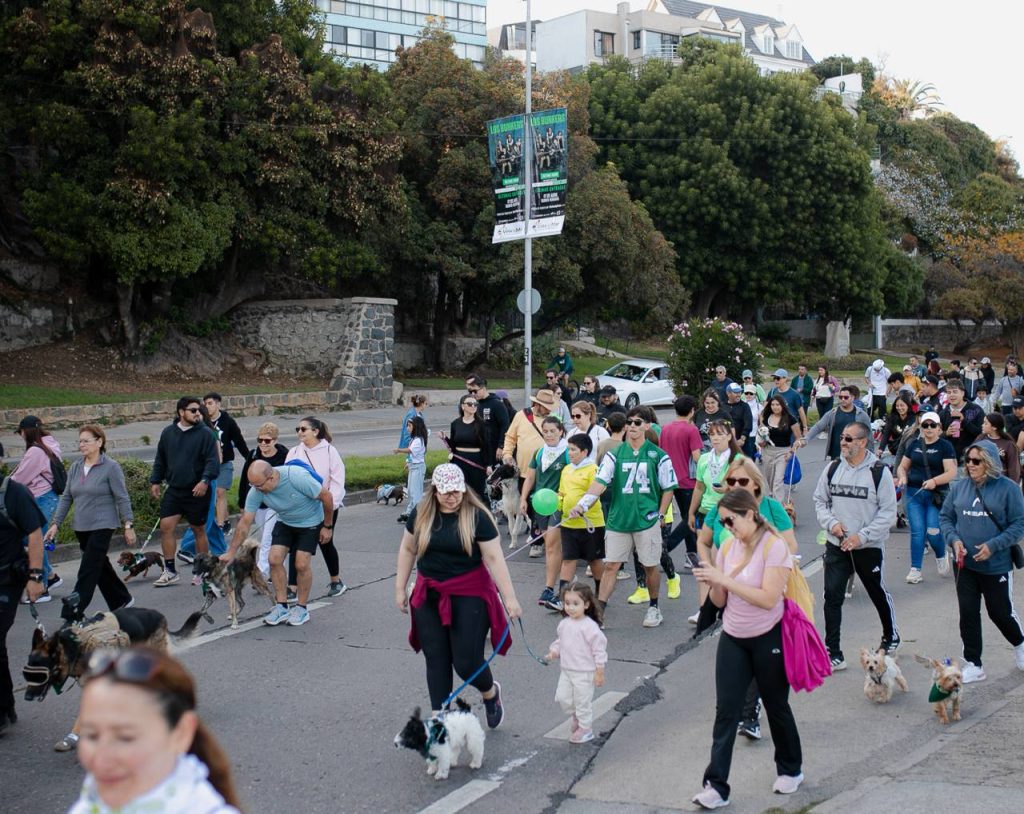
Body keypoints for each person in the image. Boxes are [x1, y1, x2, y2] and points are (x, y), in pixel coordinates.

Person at [691, 489, 802, 809]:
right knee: (726, 712)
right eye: (722, 522)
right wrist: (714, 582)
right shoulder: (727, 547)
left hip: (769, 636)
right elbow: (721, 601)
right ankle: (715, 785)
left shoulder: (775, 546)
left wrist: (725, 578)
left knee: (776, 705)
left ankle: (791, 768)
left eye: (731, 520)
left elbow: (768, 598)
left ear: (751, 514)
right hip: (734, 637)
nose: (727, 526)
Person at [395, 464, 521, 725]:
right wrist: (400, 587)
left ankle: (490, 692)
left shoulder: (477, 516)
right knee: (436, 657)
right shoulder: (421, 512)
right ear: (435, 491)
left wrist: (510, 599)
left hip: (469, 592)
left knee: (465, 662)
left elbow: (494, 558)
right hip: (429, 593)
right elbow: (408, 550)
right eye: (445, 492)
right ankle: (440, 720)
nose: (451, 497)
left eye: (456, 491)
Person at [69, 648, 242, 813]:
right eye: (91, 735)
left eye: (125, 738)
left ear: (181, 734)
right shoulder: (90, 804)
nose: (101, 759)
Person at [569, 407, 677, 628]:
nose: (633, 426)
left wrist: (660, 514)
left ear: (647, 426)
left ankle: (654, 607)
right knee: (611, 566)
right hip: (619, 519)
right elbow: (600, 481)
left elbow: (668, 488)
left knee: (650, 565)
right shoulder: (614, 454)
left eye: (638, 422)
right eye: (629, 422)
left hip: (646, 519)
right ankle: (599, 613)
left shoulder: (659, 455)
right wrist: (583, 503)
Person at [812, 419, 900, 670]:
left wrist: (862, 536)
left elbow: (888, 513)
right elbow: (820, 500)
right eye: (841, 437)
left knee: (876, 592)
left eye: (849, 439)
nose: (843, 442)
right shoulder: (832, 468)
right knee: (832, 596)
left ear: (863, 442)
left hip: (867, 547)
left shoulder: (879, 472)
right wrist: (832, 525)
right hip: (836, 545)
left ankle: (891, 636)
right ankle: (834, 652)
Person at [940, 440, 1024, 683]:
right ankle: (974, 663)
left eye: (977, 461)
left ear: (990, 463)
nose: (971, 465)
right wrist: (954, 540)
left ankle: (1019, 643)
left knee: (999, 612)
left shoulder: (1008, 489)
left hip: (995, 564)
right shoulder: (960, 487)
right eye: (968, 460)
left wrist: (993, 546)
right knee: (968, 613)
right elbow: (946, 517)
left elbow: (1019, 524)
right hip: (965, 565)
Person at [225, 460, 334, 626]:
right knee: (274, 559)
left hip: (310, 522)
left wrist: (327, 526)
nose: (256, 489)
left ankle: (302, 608)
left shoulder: (295, 477)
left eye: (259, 485)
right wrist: (231, 552)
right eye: (252, 485)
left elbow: (327, 496)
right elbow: (245, 522)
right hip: (285, 521)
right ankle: (281, 607)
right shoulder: (257, 490)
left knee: (301, 564)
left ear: (271, 477)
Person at [46, 425, 134, 620]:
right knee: (99, 566)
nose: (82, 444)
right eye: (80, 441)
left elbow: (122, 497)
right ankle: (121, 600)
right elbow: (67, 497)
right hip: (82, 527)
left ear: (99, 442)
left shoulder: (111, 467)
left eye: (86, 440)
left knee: (88, 568)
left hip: (103, 525)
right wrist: (55, 524)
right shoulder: (76, 467)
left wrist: (128, 524)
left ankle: (74, 610)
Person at [148, 397, 220, 587]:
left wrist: (205, 481)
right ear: (181, 412)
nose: (198, 413)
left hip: (197, 490)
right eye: (193, 410)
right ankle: (170, 570)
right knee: (166, 526)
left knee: (198, 529)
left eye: (199, 410)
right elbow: (160, 459)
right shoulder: (168, 433)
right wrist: (155, 480)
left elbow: (212, 461)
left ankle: (205, 568)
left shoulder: (205, 434)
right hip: (174, 490)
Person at [0, 471, 46, 736]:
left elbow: (34, 533)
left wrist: (36, 576)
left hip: (7, 578)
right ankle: (6, 706)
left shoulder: (13, 492)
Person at [285, 417, 347, 599]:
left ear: (316, 431)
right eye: (297, 429)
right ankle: (292, 587)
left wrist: (331, 504)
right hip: (301, 507)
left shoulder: (329, 451)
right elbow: (286, 476)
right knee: (295, 544)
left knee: (325, 542)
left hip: (325, 505)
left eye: (303, 429)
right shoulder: (294, 452)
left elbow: (337, 480)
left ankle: (336, 581)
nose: (299, 432)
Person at [894, 411, 958, 584]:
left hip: (935, 496)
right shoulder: (914, 444)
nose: (928, 429)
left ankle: (941, 554)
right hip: (914, 494)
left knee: (933, 531)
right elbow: (903, 466)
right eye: (925, 425)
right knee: (917, 531)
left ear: (939, 428)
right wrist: (903, 476)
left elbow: (951, 472)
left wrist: (934, 481)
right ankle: (915, 569)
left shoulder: (945, 446)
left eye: (932, 425)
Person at [543, 583, 607, 745]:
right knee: (563, 698)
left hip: (585, 673)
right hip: (567, 670)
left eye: (575, 604)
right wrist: (554, 652)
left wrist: (599, 671)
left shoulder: (590, 627)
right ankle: (577, 716)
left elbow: (599, 651)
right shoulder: (564, 624)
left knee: (582, 702)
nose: (570, 608)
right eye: (567, 603)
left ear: (586, 605)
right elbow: (561, 641)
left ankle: (585, 729)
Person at [520, 416, 570, 610]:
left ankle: (549, 588)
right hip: (540, 504)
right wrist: (524, 498)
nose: (549, 435)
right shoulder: (539, 452)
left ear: (561, 431)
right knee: (553, 547)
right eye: (545, 431)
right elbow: (530, 476)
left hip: (558, 504)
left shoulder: (567, 452)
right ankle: (565, 579)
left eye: (552, 431)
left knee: (551, 545)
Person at [11, 415, 63, 597]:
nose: (21, 436)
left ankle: (43, 588)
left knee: (31, 539)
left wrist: (6, 485)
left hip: (40, 498)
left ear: (26, 431)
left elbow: (19, 479)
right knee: (36, 540)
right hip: (49, 497)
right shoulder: (50, 444)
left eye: (21, 432)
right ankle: (50, 576)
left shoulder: (36, 451)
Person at [556, 434, 605, 596]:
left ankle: (601, 591)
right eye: (568, 449)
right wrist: (556, 504)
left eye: (573, 450)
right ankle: (562, 595)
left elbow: (596, 493)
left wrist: (581, 508)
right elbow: (562, 493)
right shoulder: (566, 470)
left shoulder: (593, 469)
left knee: (594, 560)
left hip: (591, 524)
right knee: (568, 559)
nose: (569, 453)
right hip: (568, 523)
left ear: (584, 452)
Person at [237, 423, 288, 578]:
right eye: (260, 440)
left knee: (268, 538)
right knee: (268, 537)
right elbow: (244, 480)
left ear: (275, 440)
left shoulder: (285, 455)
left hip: (276, 503)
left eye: (267, 440)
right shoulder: (253, 455)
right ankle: (277, 568)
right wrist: (242, 502)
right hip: (258, 503)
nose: (263, 444)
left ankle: (260, 573)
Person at [660, 396, 703, 557]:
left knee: (687, 517)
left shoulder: (665, 428)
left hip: (669, 479)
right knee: (692, 515)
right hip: (687, 480)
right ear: (692, 411)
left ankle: (691, 552)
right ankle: (668, 545)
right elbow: (697, 456)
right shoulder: (691, 430)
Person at [202, 393, 250, 533]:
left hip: (224, 463)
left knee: (220, 492)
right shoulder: (202, 422)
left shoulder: (227, 421)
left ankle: (221, 525)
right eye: (205, 404)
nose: (207, 406)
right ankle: (226, 519)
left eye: (210, 403)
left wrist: (249, 459)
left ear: (218, 404)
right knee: (212, 495)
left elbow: (239, 441)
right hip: (207, 464)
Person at [688, 420, 744, 536]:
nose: (715, 438)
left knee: (725, 550)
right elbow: (699, 488)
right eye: (712, 434)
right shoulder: (704, 459)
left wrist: (728, 489)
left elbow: (747, 489)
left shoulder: (738, 459)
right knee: (705, 550)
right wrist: (691, 513)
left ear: (729, 436)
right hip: (705, 511)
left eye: (720, 434)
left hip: (729, 512)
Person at [800, 385, 872, 461]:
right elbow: (818, 427)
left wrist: (871, 455)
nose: (843, 399)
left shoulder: (861, 414)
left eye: (846, 397)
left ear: (853, 398)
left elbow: (869, 435)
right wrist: (806, 438)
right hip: (836, 455)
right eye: (841, 397)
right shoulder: (832, 413)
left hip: (855, 455)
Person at [445, 394, 493, 502]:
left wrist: (488, 465)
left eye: (475, 404)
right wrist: (445, 439)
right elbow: (453, 445)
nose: (473, 406)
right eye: (470, 404)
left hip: (476, 461)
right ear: (463, 406)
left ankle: (480, 515)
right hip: (459, 461)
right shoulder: (455, 423)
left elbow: (486, 446)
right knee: (460, 490)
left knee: (477, 492)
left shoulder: (482, 425)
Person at [757, 395, 802, 502]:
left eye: (777, 404)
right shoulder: (766, 416)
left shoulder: (790, 418)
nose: (775, 407)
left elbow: (798, 438)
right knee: (770, 480)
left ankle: (779, 508)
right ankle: (773, 500)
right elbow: (761, 433)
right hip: (767, 451)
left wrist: (791, 452)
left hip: (783, 452)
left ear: (782, 405)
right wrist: (761, 441)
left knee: (778, 481)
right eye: (772, 404)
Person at [465, 375, 509, 463]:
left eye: (475, 391)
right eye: (470, 391)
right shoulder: (475, 404)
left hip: (494, 449)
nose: (472, 394)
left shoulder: (496, 404)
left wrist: (501, 446)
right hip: (480, 449)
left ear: (483, 387)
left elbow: (505, 426)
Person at [939, 379, 983, 463]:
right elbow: (936, 437)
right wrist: (946, 433)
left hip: (970, 459)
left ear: (962, 393)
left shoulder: (976, 410)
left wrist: (964, 421)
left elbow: (981, 434)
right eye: (949, 392)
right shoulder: (943, 413)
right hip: (948, 458)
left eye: (955, 392)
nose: (951, 395)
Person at [395, 416, 429, 524]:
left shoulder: (418, 440)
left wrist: (399, 450)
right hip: (414, 467)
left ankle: (418, 514)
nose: (407, 428)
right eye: (407, 425)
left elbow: (410, 450)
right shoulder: (415, 439)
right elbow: (413, 455)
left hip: (418, 468)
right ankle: (410, 512)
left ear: (416, 427)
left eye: (409, 426)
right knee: (410, 491)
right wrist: (408, 463)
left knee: (416, 493)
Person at [980, 413, 1021, 485]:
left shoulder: (1009, 444)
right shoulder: (981, 438)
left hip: (1000, 483)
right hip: (982, 482)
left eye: (985, 423)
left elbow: (1014, 469)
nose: (982, 425)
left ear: (994, 427)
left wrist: (1013, 487)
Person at [724, 383, 752, 455]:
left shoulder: (745, 406)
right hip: (725, 443)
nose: (739, 394)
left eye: (739, 392)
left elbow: (748, 424)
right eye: (736, 392)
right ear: (728, 393)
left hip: (741, 443)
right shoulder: (722, 406)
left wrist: (743, 439)